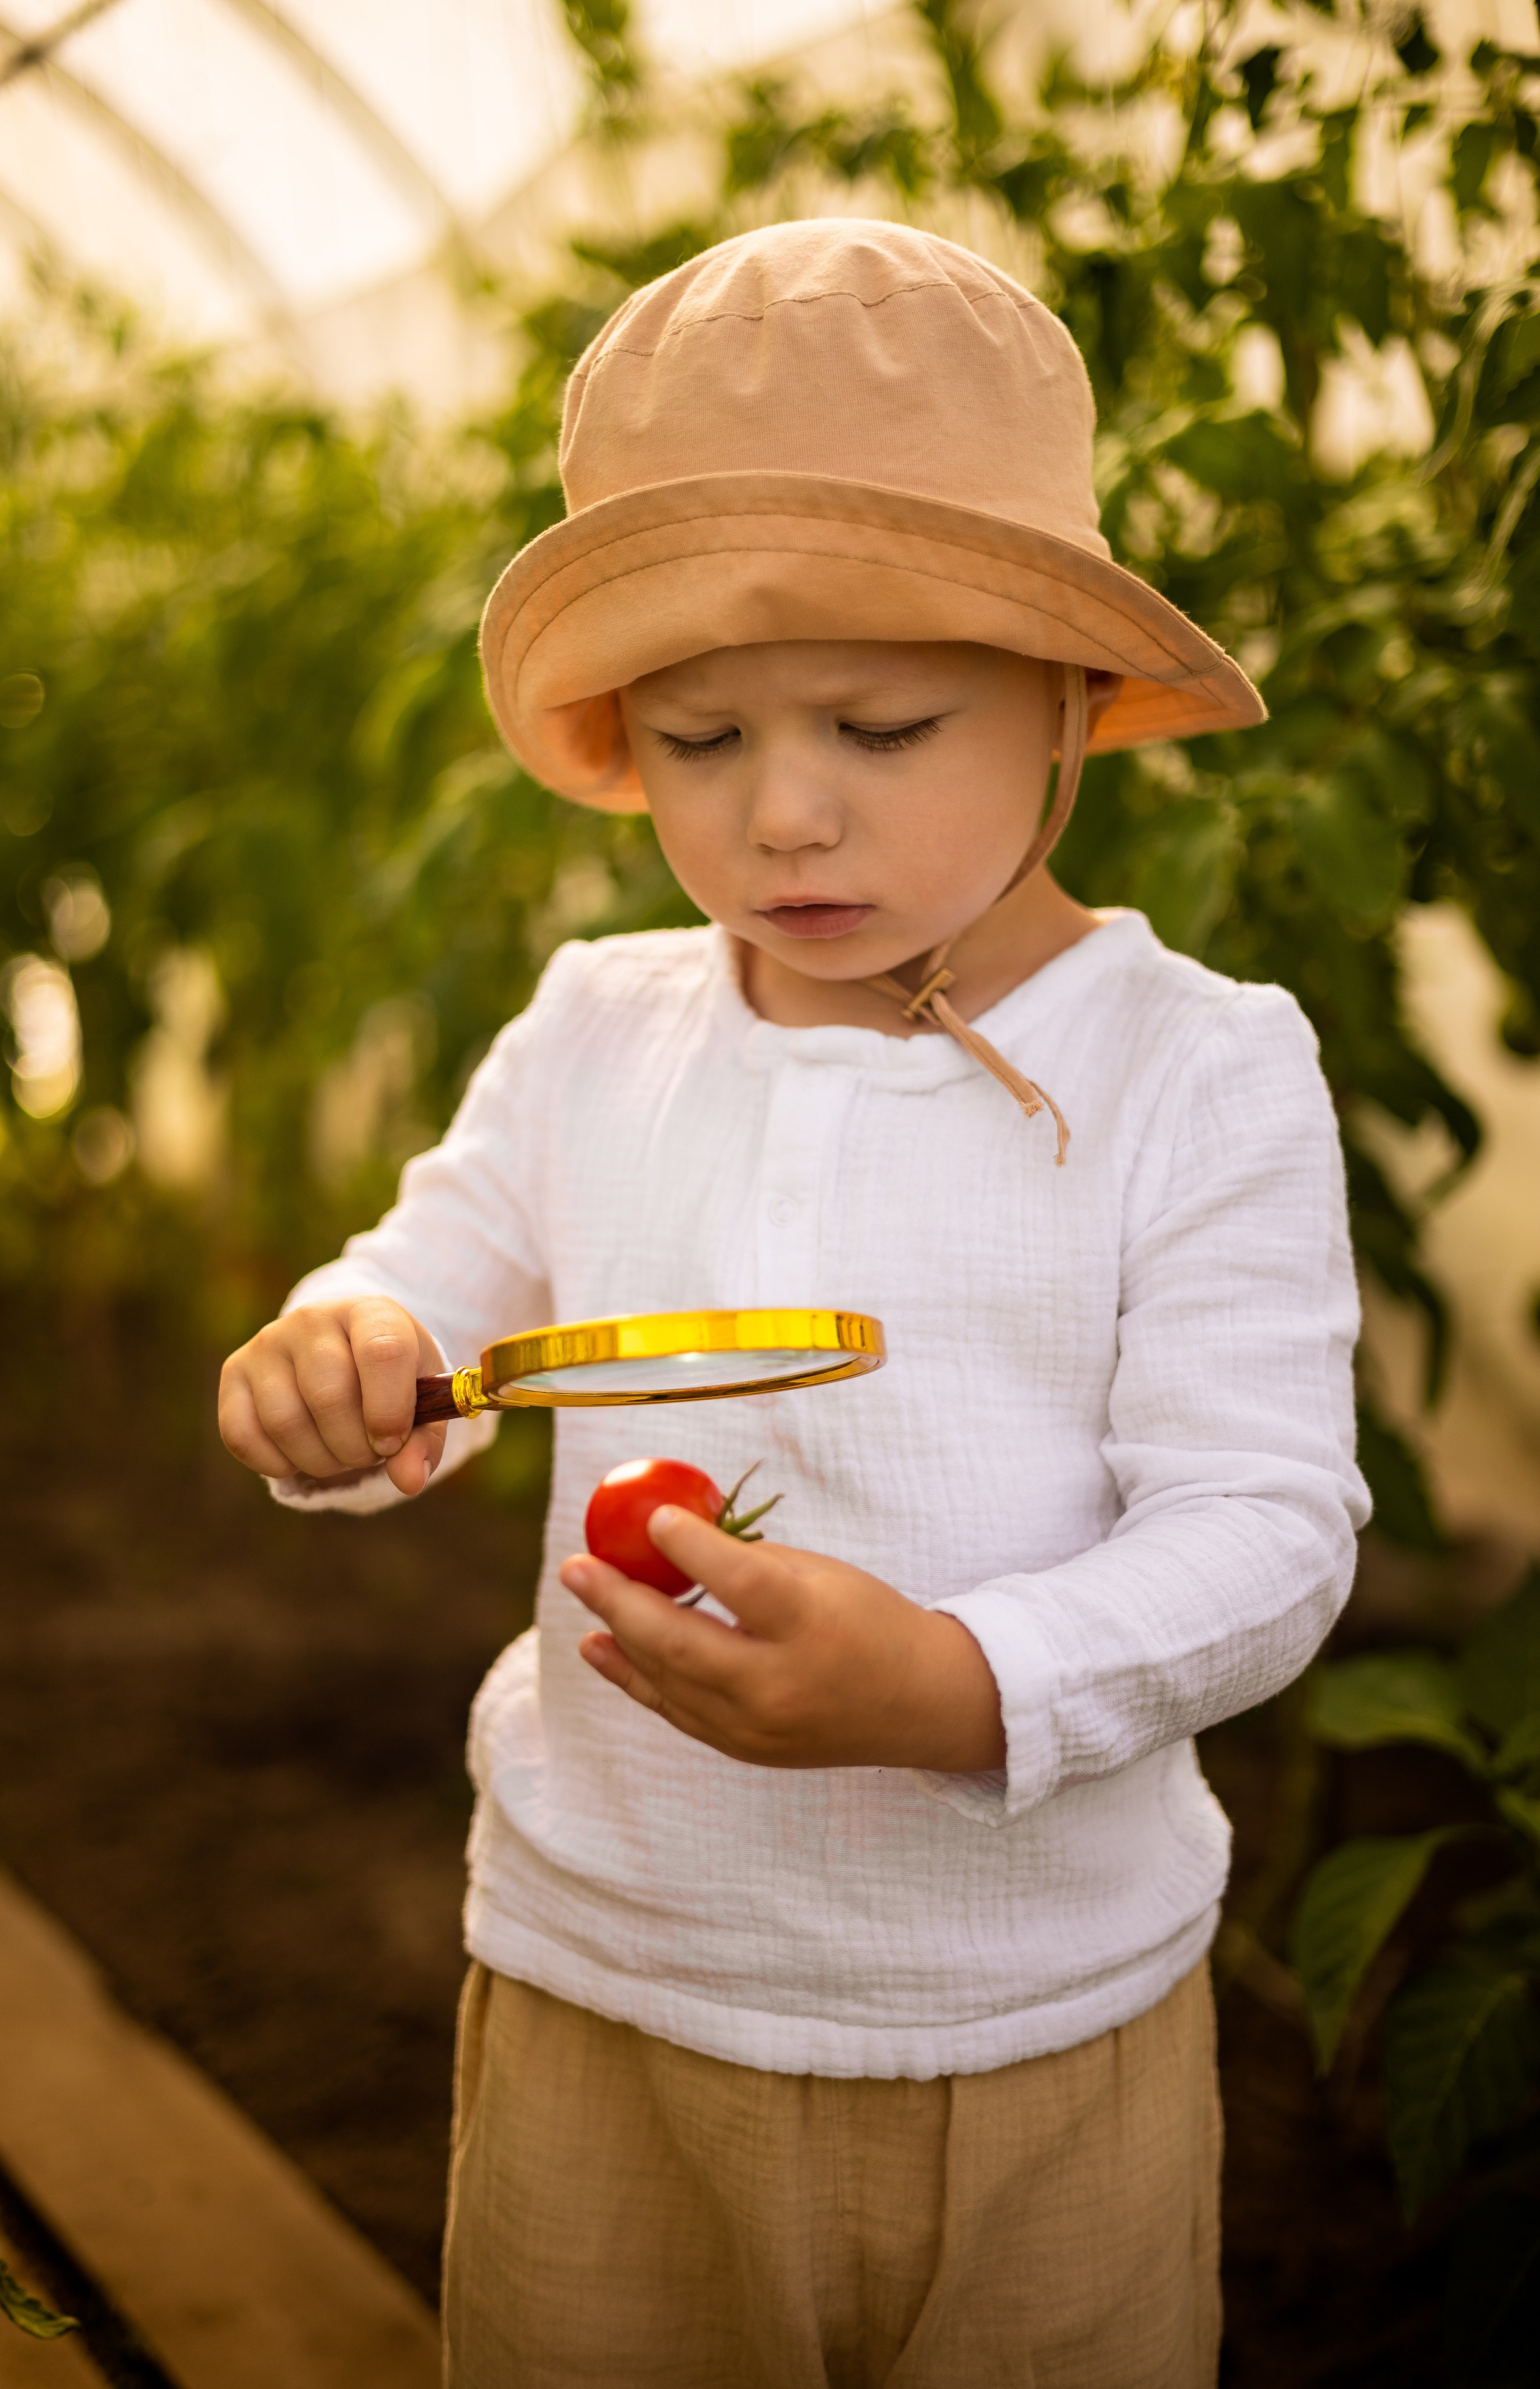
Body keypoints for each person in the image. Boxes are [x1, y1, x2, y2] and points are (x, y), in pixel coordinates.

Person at [218, 220, 1369, 2388]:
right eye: (697, 738)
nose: (783, 811)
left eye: (879, 720)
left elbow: (1269, 1525)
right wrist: (349, 1355)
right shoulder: (597, 1026)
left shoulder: (1195, 1065)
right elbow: (437, 1289)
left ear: (1068, 696)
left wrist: (961, 1680)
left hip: (1033, 2031)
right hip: (606, 1979)